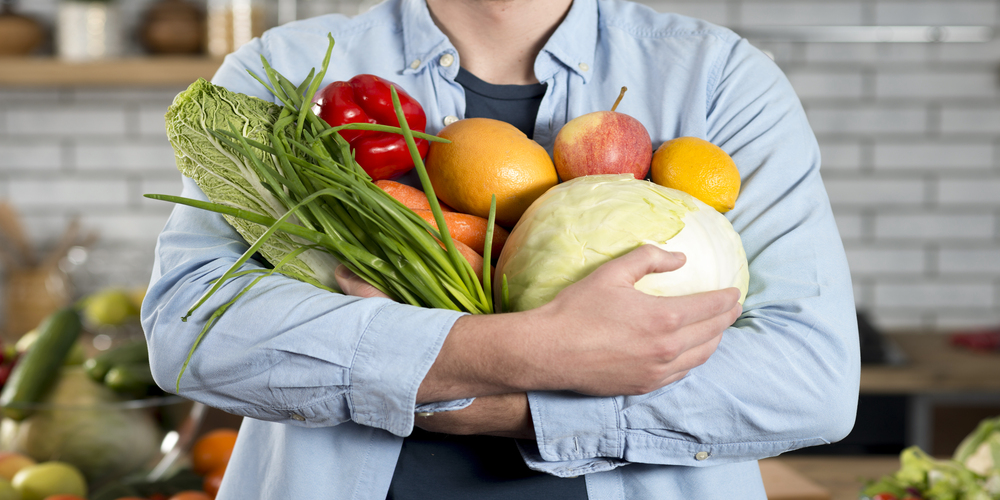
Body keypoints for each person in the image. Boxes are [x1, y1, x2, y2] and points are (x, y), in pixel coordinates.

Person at [141, 0, 860, 498]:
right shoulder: (286, 69)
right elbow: (193, 328)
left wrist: (476, 399)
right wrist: (521, 353)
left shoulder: (717, 79)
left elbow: (811, 381)